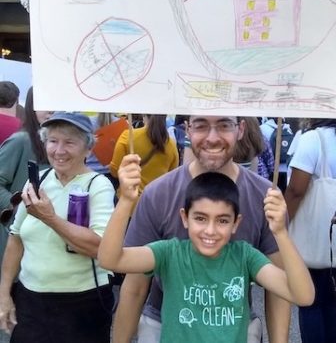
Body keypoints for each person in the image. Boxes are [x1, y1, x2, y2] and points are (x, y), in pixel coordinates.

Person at [112, 115, 292, 343]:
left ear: (241, 129)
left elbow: (279, 290)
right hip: (165, 324)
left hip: (233, 325)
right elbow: (135, 286)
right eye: (201, 126)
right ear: (187, 130)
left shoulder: (267, 198)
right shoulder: (158, 194)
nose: (213, 138)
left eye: (224, 125)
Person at [99, 165, 314, 342]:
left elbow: (303, 295)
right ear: (185, 218)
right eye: (200, 218)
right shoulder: (169, 253)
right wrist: (126, 202)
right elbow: (110, 259)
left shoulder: (245, 257)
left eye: (222, 220)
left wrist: (281, 233)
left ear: (235, 223)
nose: (210, 230)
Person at [0, 112, 115, 343]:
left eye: (70, 142)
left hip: (82, 303)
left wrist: (50, 218)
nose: (59, 151)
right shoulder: (38, 180)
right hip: (31, 301)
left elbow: (100, 247)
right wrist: (4, 294)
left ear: (88, 149)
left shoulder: (98, 185)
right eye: (53, 141)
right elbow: (16, 238)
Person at [285, 115, 336, 343]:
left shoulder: (313, 138)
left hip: (312, 227)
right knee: (332, 295)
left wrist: (282, 223)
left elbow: (297, 189)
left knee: (309, 298)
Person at [0, 87, 52, 270]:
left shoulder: (63, 147)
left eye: (56, 104)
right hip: (17, 237)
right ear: (32, 106)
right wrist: (19, 206)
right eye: (44, 104)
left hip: (48, 237)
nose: (51, 110)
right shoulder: (21, 140)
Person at [110, 114, 179, 210]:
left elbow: (115, 171)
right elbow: (172, 176)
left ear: (143, 115)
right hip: (156, 205)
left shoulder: (128, 136)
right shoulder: (171, 144)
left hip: (127, 205)